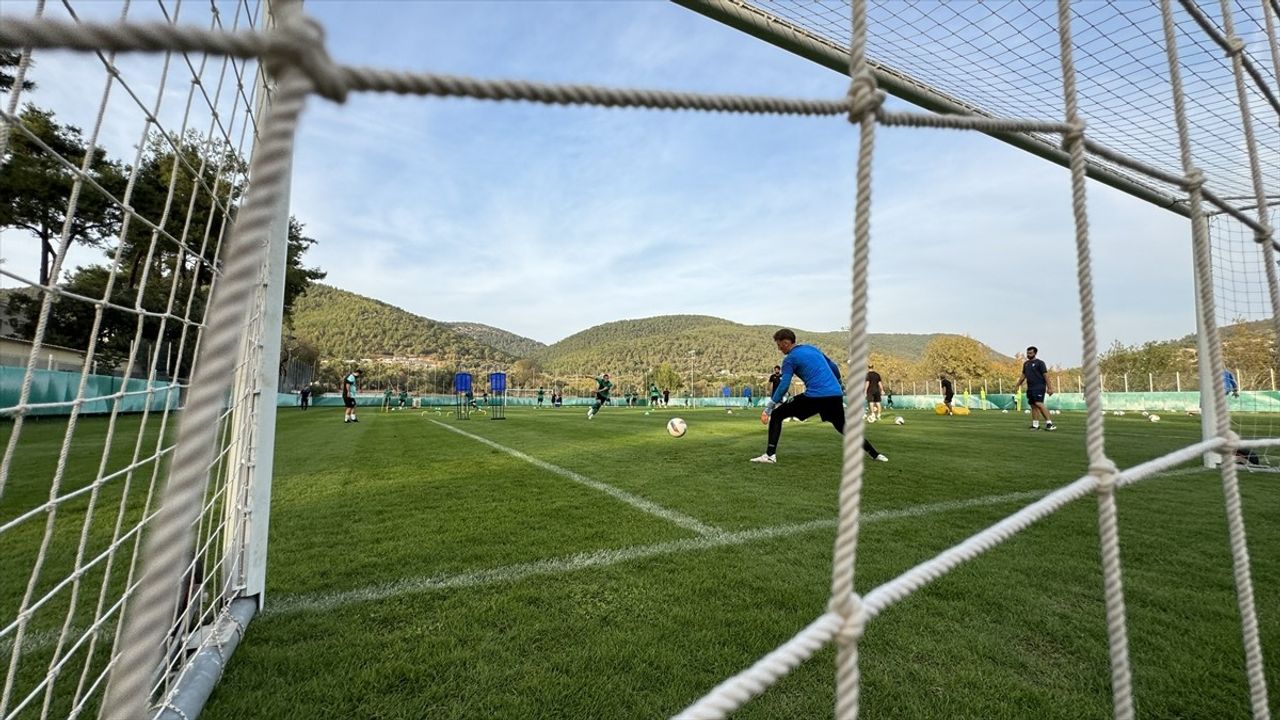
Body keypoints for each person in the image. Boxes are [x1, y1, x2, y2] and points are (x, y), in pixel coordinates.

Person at [751, 329, 887, 464]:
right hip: (835, 395)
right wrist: (838, 383)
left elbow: (785, 384)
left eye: (779, 345)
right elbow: (833, 366)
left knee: (776, 415)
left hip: (815, 397)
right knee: (843, 427)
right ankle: (875, 454)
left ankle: (770, 455)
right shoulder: (812, 349)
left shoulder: (790, 359)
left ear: (786, 342)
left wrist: (768, 408)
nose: (779, 349)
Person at [1012, 345, 1056, 431]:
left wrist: (1050, 388)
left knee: (1039, 403)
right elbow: (1023, 376)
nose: (1028, 354)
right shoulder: (1026, 364)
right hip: (1030, 388)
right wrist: (1017, 385)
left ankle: (1049, 424)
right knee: (1033, 406)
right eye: (1027, 353)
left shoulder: (1040, 363)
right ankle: (1035, 425)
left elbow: (1046, 376)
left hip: (1039, 386)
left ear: (1035, 353)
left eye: (1030, 353)